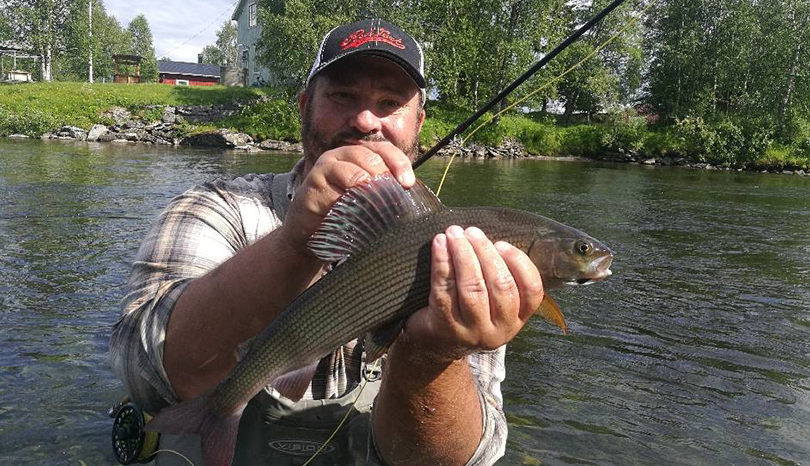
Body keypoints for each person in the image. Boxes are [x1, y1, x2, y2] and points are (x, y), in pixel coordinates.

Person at [110, 18, 544, 466]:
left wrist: (432, 356)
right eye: (342, 96)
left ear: (418, 123)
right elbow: (142, 373)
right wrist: (294, 245)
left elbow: (469, 459)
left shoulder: (458, 256)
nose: (364, 120)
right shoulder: (218, 206)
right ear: (304, 107)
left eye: (390, 102)